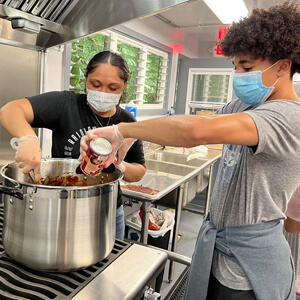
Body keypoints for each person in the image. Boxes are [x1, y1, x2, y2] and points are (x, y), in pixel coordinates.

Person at [80, 2, 300, 299]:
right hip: (217, 249)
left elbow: (194, 132)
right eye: (235, 66)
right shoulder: (244, 106)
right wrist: (125, 143)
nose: (238, 75)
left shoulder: (288, 116)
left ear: (283, 66)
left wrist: (121, 130)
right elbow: (198, 121)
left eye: (246, 67)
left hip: (249, 264)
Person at [0, 50, 146, 241]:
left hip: (107, 210)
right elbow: (10, 110)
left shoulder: (127, 123)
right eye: (96, 84)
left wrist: (119, 165)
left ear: (125, 85)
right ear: (86, 78)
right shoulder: (65, 104)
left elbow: (139, 171)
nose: (103, 93)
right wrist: (28, 138)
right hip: (60, 209)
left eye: (113, 88)